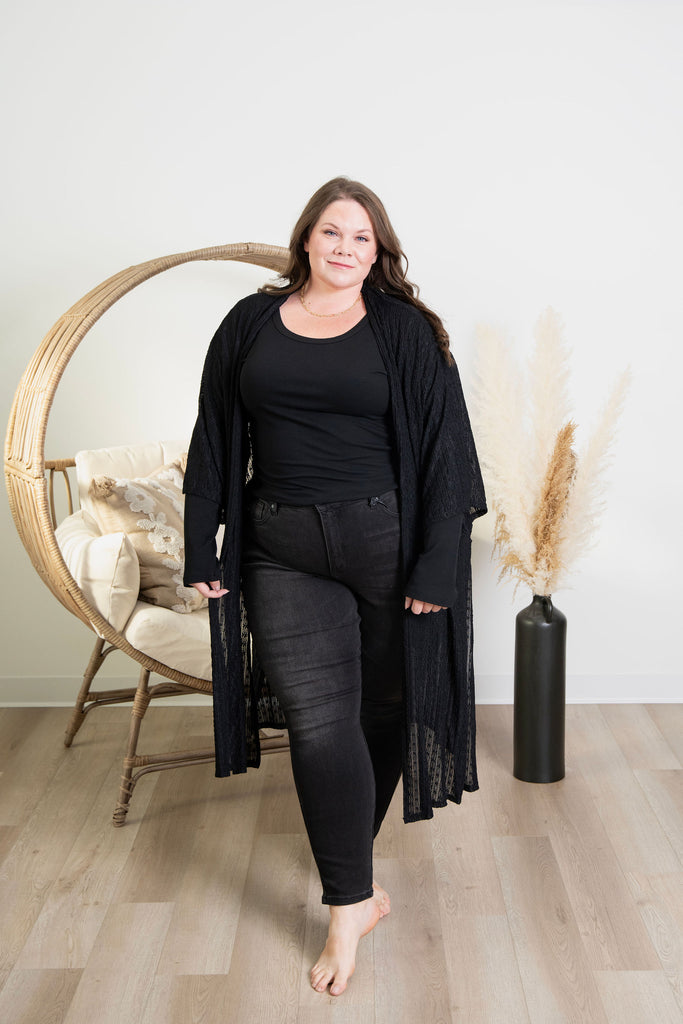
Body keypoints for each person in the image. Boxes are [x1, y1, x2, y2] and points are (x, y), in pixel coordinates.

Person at [183, 177, 486, 996]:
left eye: (361, 237)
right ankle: (349, 903)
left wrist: (437, 562)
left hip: (385, 541)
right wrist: (201, 543)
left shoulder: (403, 329)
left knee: (383, 709)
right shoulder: (248, 322)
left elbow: (446, 450)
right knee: (319, 725)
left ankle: (351, 863)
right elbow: (213, 435)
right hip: (280, 548)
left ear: (376, 250)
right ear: (305, 240)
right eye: (331, 232)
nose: (345, 247)